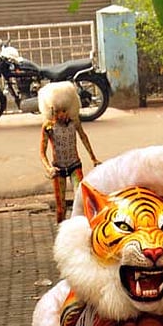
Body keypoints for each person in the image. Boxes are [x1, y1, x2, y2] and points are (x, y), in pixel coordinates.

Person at [37, 81, 101, 223]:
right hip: (58, 169)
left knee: (80, 199)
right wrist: (49, 168)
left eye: (65, 110)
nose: (62, 114)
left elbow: (83, 137)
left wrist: (93, 158)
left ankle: (81, 228)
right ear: (52, 110)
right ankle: (61, 235)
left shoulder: (75, 121)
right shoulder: (48, 127)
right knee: (61, 208)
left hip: (75, 165)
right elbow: (42, 152)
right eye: (59, 110)